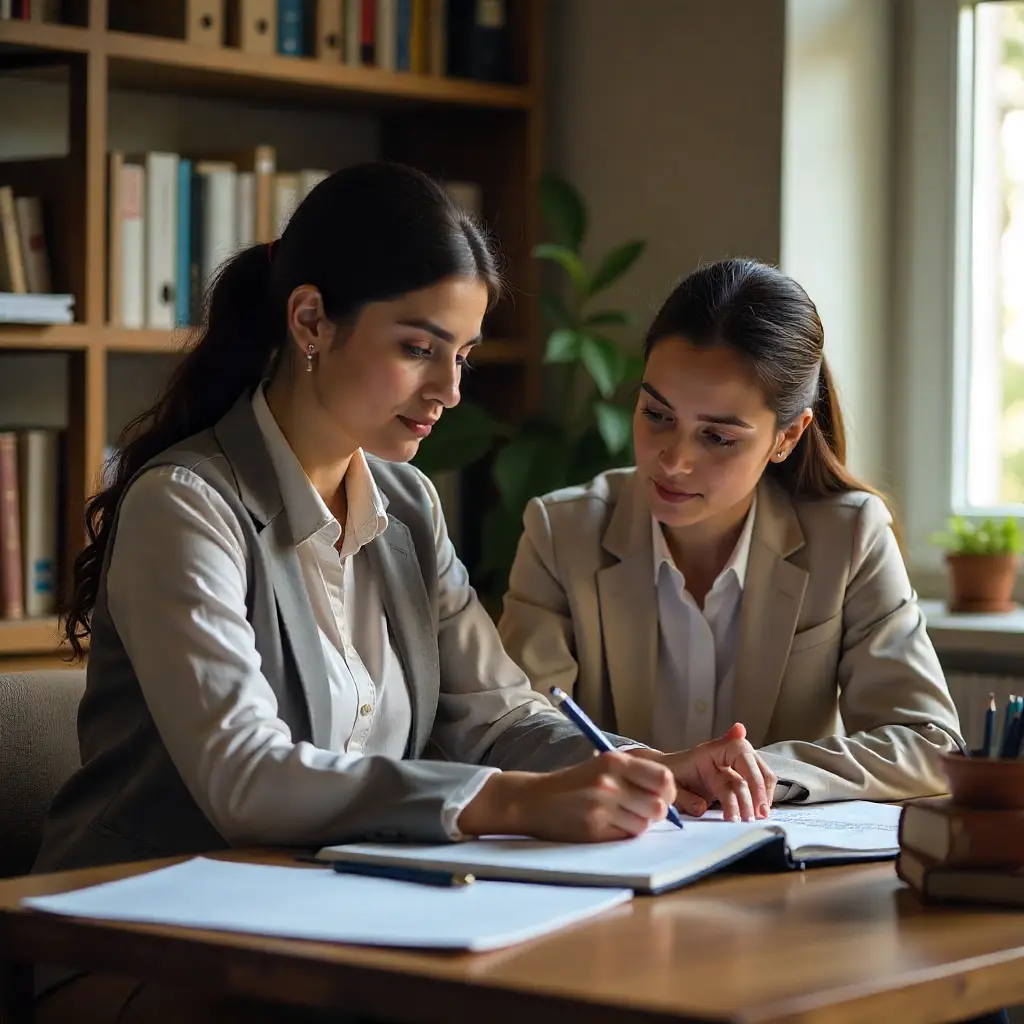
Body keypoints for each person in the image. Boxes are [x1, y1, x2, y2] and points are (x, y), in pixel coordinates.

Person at [32, 165, 771, 1024]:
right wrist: (509, 799)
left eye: (461, 357)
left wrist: (644, 762)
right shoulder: (187, 504)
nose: (449, 392)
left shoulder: (408, 505)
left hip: (332, 922)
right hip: (151, 944)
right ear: (310, 320)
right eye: (418, 349)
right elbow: (246, 778)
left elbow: (495, 716)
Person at [498, 257, 966, 806]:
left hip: (778, 862)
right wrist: (664, 772)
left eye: (718, 437)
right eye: (657, 414)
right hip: (618, 855)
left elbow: (928, 743)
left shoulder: (851, 536)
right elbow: (514, 731)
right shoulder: (562, 531)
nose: (673, 460)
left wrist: (754, 772)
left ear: (787, 437)